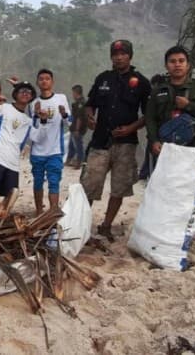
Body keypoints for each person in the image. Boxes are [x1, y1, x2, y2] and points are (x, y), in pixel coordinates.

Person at [145, 45, 195, 248]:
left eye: (181, 61)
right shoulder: (159, 89)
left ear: (188, 64)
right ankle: (168, 229)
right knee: (166, 189)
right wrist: (154, 141)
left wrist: (189, 106)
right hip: (167, 149)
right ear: (166, 65)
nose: (177, 65)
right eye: (172, 61)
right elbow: (150, 119)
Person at [81, 39, 151, 242]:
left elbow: (148, 115)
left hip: (126, 144)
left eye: (123, 54)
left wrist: (131, 128)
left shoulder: (141, 82)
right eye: (115, 54)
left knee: (119, 188)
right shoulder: (103, 78)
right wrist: (89, 117)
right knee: (89, 185)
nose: (119, 57)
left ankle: (106, 226)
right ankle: (81, 224)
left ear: (130, 56)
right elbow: (90, 104)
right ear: (111, 56)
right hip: (100, 141)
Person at [0, 81, 36, 211]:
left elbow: (34, 138)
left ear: (32, 97)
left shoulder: (28, 121)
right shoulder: (4, 107)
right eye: (22, 91)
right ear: (15, 94)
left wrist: (43, 120)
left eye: (28, 92)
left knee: (11, 195)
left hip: (13, 162)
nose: (25, 94)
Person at [29, 69, 71, 215]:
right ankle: (39, 211)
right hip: (37, 151)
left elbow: (69, 122)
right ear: (37, 82)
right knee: (38, 181)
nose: (44, 81)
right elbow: (32, 129)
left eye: (47, 78)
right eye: (41, 79)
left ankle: (53, 211)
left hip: (55, 150)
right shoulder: (33, 103)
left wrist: (64, 114)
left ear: (52, 82)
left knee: (54, 181)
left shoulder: (61, 98)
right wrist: (36, 116)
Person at [66, 85, 88, 167]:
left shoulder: (80, 103)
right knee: (71, 145)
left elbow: (79, 117)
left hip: (77, 128)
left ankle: (79, 162)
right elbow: (73, 116)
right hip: (74, 127)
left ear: (76, 92)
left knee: (78, 145)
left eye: (73, 93)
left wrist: (77, 129)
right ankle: (69, 160)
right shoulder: (77, 103)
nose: (73, 95)